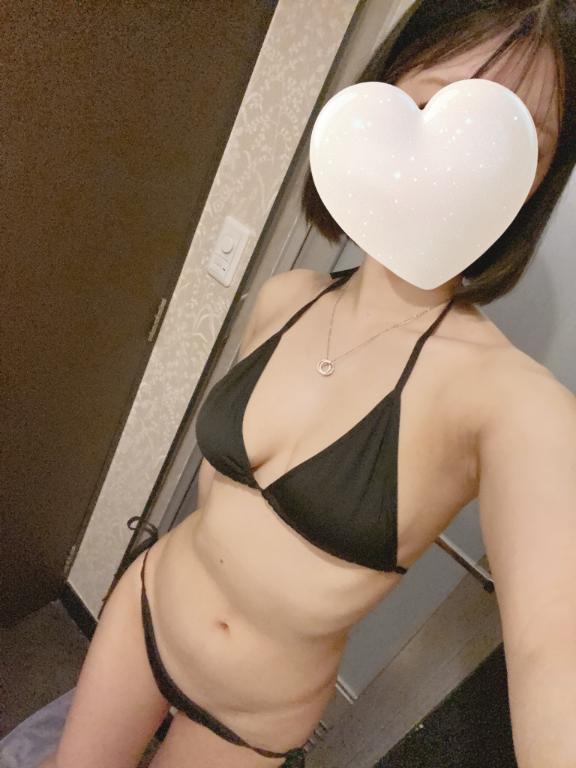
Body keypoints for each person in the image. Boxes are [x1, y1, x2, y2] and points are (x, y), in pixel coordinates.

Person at [40, 1, 576, 767]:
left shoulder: (515, 404)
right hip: (145, 608)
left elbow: (557, 649)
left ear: (539, 181)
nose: (460, 169)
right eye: (437, 107)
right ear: (381, 101)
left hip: (249, 719)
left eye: (509, 143)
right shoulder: (287, 297)